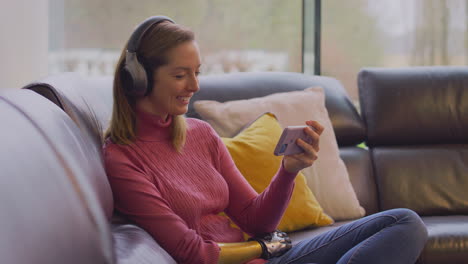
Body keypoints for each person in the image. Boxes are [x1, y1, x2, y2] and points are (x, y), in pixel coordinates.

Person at [103, 16, 428, 264]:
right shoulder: (122, 159)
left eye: (197, 72)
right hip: (251, 257)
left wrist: (288, 171)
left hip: (265, 259)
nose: (194, 86)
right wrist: (262, 247)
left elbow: (256, 219)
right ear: (138, 80)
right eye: (180, 75)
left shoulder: (200, 134)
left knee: (404, 223)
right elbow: (194, 253)